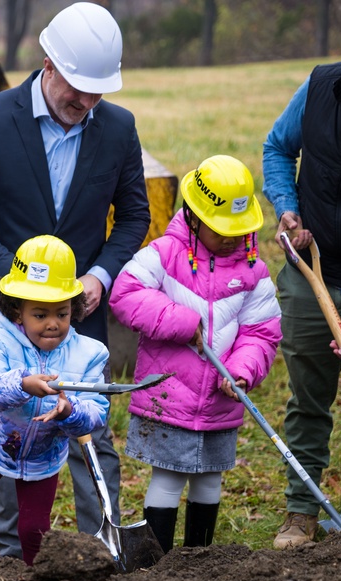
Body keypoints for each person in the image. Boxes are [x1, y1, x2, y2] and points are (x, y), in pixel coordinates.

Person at [0, 2, 150, 560]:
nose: (84, 103)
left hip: (80, 312)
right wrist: (20, 286)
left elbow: (133, 215)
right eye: (76, 89)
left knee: (89, 426)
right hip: (5, 313)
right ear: (48, 62)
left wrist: (101, 276)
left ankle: (101, 542)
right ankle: (13, 554)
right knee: (16, 429)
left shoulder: (119, 128)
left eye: (96, 93)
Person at [263, 0, 341, 549]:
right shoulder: (319, 89)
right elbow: (276, 148)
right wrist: (288, 210)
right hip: (309, 276)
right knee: (307, 401)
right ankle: (301, 513)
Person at [109, 155, 282, 553]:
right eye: (221, 230)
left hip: (220, 402)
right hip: (169, 396)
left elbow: (262, 332)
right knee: (168, 478)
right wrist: (181, 321)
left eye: (240, 231)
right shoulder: (165, 253)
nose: (231, 239)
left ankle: (200, 559)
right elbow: (125, 294)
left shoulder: (253, 272)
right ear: (192, 217)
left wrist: (241, 371)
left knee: (209, 479)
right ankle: (158, 558)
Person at [0, 236, 108, 567]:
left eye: (62, 313)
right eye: (40, 315)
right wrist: (22, 384)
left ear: (75, 307)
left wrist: (69, 411)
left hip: (44, 455)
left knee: (34, 530)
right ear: (17, 311)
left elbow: (97, 412)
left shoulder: (88, 355)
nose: (52, 323)